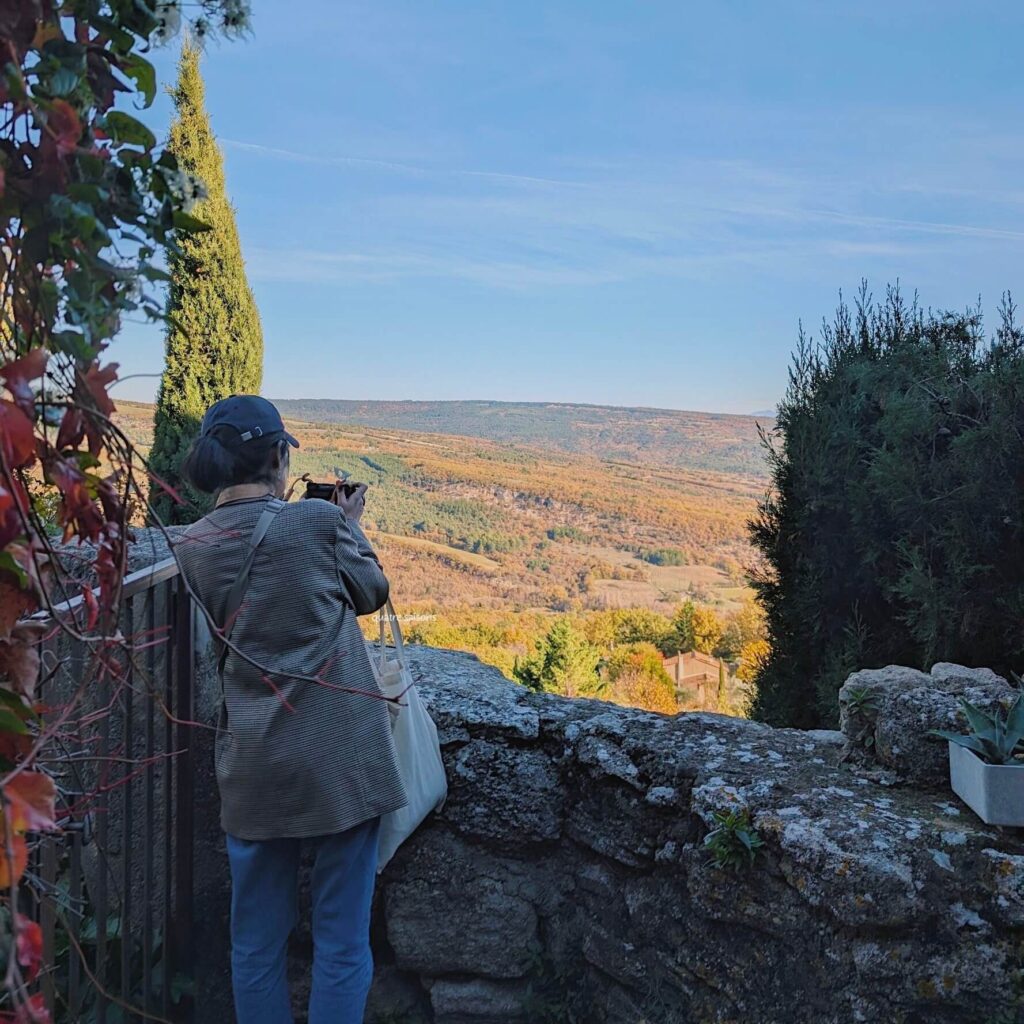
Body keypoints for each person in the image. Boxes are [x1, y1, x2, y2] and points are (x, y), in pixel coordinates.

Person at [173, 395, 406, 1024]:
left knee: (254, 944)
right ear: (279, 457)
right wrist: (349, 524)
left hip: (253, 765)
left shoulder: (190, 546)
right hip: (343, 764)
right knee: (341, 942)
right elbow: (372, 592)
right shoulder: (318, 523)